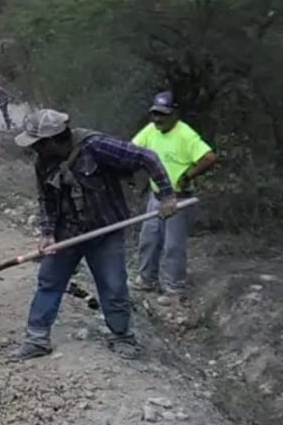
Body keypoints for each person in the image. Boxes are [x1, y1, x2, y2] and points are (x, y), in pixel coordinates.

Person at [11, 109, 179, 361]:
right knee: (49, 282)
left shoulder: (96, 147)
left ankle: (122, 337)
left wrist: (166, 194)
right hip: (67, 233)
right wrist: (47, 233)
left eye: (38, 144)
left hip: (105, 231)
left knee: (113, 285)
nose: (35, 149)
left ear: (53, 141)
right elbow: (45, 198)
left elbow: (147, 157)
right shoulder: (43, 162)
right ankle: (36, 339)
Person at [131, 91, 217, 304]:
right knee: (149, 238)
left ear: (174, 114)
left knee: (173, 244)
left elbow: (209, 157)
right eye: (155, 114)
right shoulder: (151, 130)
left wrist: (188, 175)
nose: (158, 119)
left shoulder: (185, 135)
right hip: (156, 195)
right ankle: (147, 279)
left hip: (178, 197)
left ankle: (174, 288)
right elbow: (132, 148)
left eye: (163, 114)